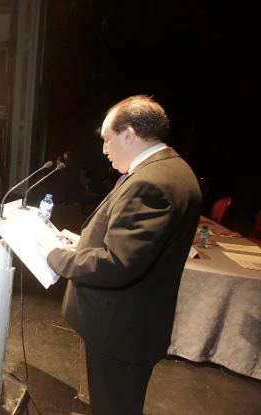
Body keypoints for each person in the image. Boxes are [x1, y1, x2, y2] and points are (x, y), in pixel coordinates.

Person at [44, 95, 201, 415]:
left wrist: (55, 256)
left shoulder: (150, 183)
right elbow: (134, 245)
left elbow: (118, 264)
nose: (104, 149)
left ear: (129, 134)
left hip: (121, 330)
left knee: (114, 406)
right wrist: (82, 242)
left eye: (107, 139)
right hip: (134, 324)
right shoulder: (171, 169)